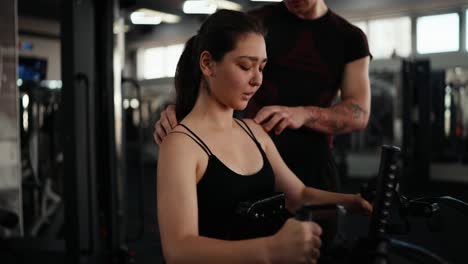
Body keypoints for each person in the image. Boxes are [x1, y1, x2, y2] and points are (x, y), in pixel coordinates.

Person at [157, 9, 372, 264]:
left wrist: (355, 202)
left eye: (262, 67)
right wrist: (270, 250)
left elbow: (299, 195)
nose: (257, 79)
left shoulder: (254, 130)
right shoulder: (182, 145)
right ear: (207, 64)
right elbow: (179, 251)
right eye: (245, 66)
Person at [154, 0, 371, 192]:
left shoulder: (349, 38)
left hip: (313, 163)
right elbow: (203, 58)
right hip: (250, 156)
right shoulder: (257, 22)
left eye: (261, 67)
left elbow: (359, 114)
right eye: (246, 66)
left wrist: (304, 114)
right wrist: (180, 107)